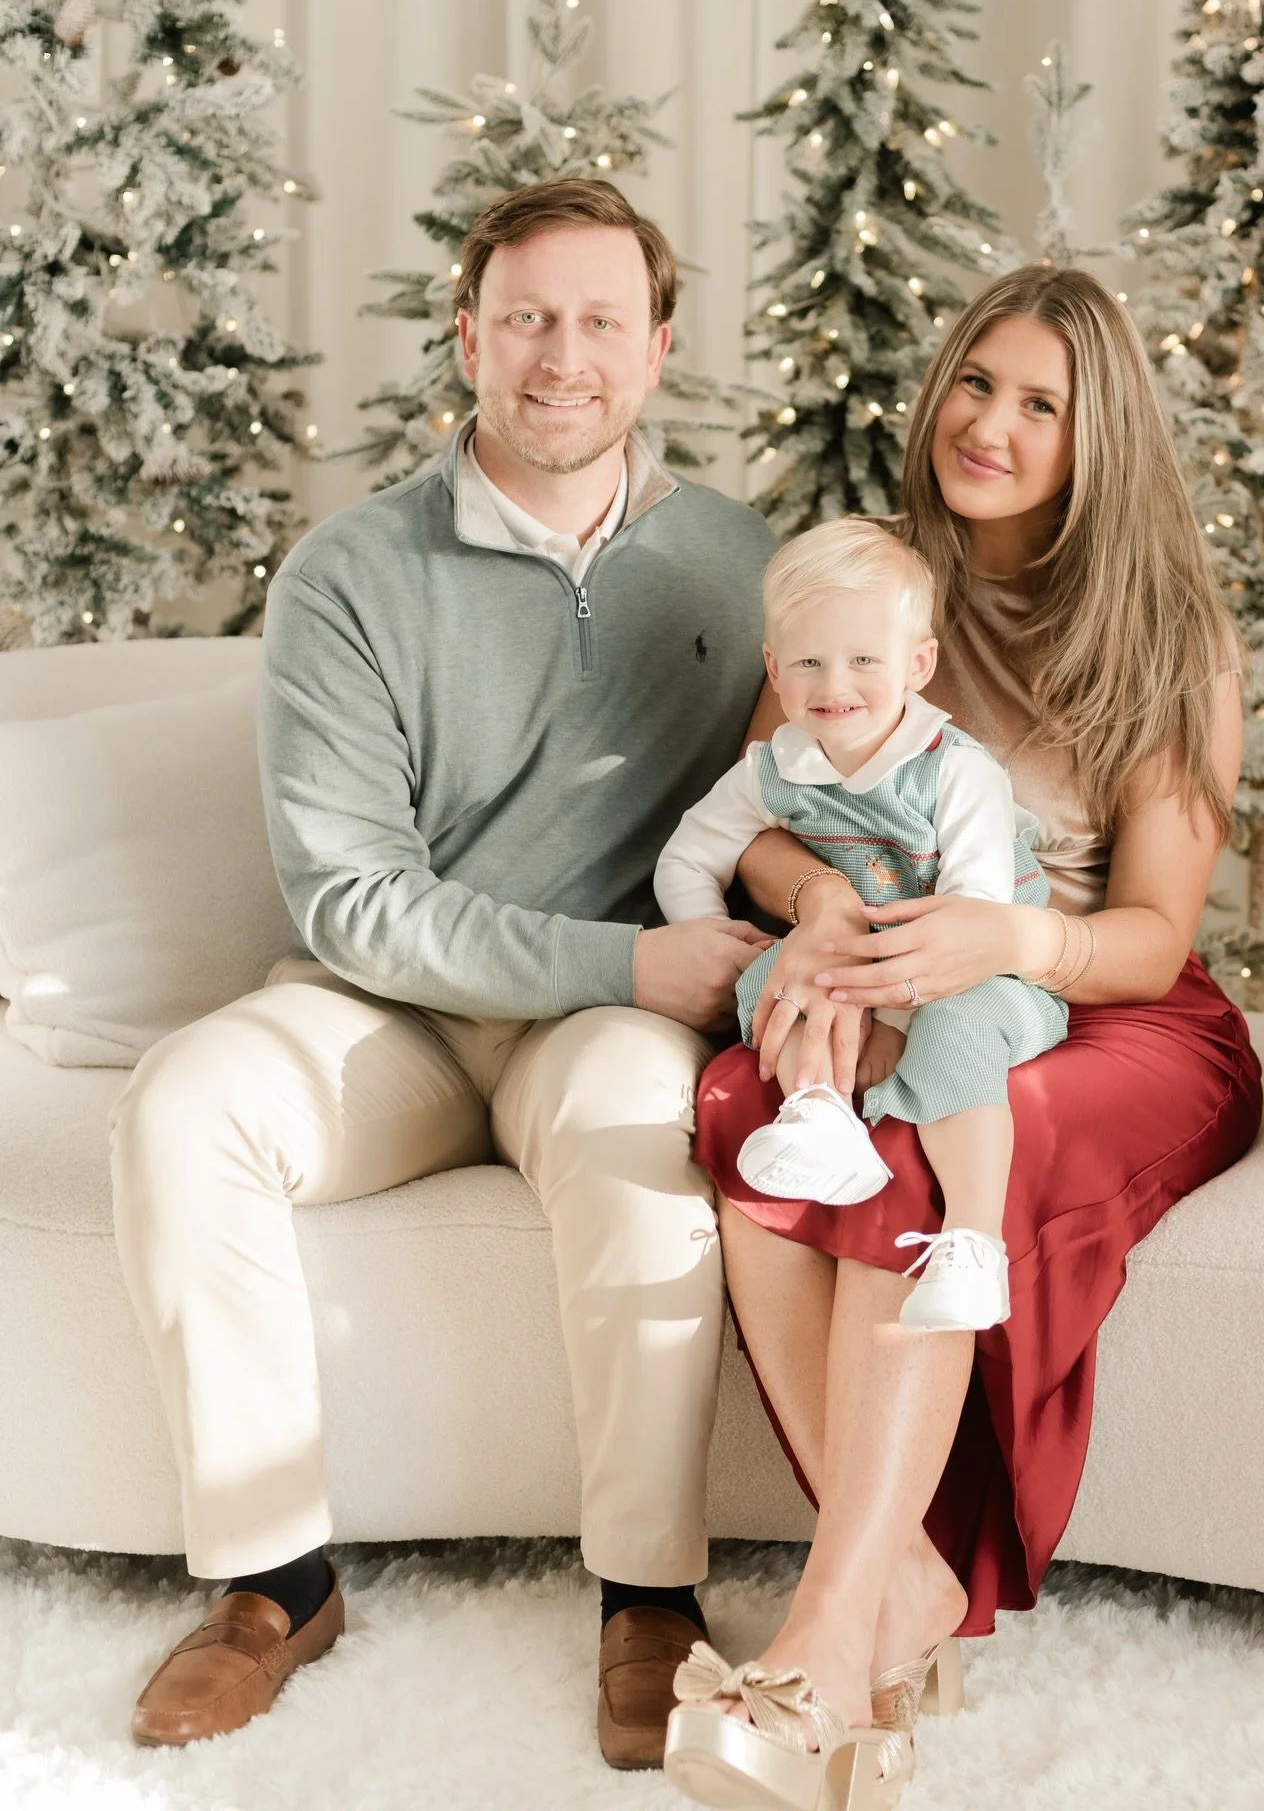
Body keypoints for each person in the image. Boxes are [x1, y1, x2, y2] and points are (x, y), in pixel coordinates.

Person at [108, 177, 776, 1768]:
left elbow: (817, 786)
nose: (564, 356)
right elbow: (353, 897)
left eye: (602, 321)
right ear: (468, 337)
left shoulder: (743, 565)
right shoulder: (350, 572)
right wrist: (636, 958)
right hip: (390, 1016)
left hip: (602, 1028)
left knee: (643, 1132)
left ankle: (649, 1597)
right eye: (528, 318)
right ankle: (274, 1586)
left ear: (659, 348)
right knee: (185, 1104)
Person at [661, 264, 1264, 1811]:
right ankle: (909, 1590)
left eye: (1039, 404)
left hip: (1100, 1002)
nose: (989, 424)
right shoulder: (868, 586)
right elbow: (763, 821)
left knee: (921, 1145)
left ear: (1094, 435)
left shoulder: (1169, 640)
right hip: (890, 974)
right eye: (976, 383)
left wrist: (1007, 940)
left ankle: (820, 1640)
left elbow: (1153, 935)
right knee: (743, 1102)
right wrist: (815, 906)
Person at [654, 517, 1069, 1332]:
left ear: (919, 665)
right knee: (778, 977)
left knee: (954, 1026)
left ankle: (974, 1245)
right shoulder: (775, 767)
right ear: (774, 668)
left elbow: (972, 929)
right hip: (865, 970)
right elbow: (685, 858)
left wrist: (889, 1022)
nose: (833, 684)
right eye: (808, 661)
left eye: (864, 661)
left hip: (988, 980)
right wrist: (715, 938)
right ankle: (820, 1113)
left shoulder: (956, 772)